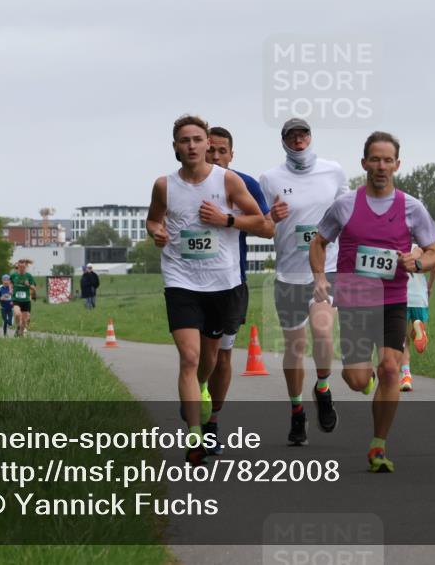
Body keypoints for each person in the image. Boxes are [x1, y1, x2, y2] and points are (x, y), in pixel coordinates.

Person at [311, 131, 435, 472]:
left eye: (388, 160)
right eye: (375, 159)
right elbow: (318, 242)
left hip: (393, 298)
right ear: (364, 162)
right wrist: (321, 277)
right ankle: (364, 379)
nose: (381, 166)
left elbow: (433, 253)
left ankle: (378, 446)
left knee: (390, 369)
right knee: (357, 380)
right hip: (354, 299)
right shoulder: (345, 205)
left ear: (397, 165)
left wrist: (418, 262)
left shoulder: (412, 208)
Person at [146, 115, 266, 465]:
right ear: (175, 147)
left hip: (223, 282)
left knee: (211, 358)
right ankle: (195, 436)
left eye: (198, 139)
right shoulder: (164, 186)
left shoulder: (227, 181)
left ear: (206, 144)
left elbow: (263, 224)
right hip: (181, 279)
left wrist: (226, 220)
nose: (193, 146)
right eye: (185, 140)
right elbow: (154, 218)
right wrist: (157, 231)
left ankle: (199, 392)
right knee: (190, 357)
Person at [259, 118, 349, 446]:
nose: (299, 141)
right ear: (284, 141)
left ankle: (322, 388)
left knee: (323, 335)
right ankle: (297, 411)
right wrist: (271, 217)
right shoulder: (269, 179)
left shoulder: (334, 171)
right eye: (292, 137)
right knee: (295, 348)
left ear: (311, 138)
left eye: (303, 135)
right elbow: (262, 224)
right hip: (289, 274)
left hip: (326, 270)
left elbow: (347, 213)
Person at [204, 126, 275, 453]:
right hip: (190, 284)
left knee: (222, 356)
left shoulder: (245, 184)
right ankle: (195, 405)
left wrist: (227, 220)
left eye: (222, 151)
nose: (215, 156)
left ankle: (212, 421)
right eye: (211, 150)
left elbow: (266, 228)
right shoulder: (180, 183)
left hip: (231, 281)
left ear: (232, 155)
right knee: (197, 355)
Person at [400, 243, 435, 392]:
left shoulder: (398, 249)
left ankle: (406, 376)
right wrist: (430, 286)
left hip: (401, 297)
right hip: (419, 298)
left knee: (404, 341)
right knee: (417, 338)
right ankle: (418, 327)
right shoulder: (422, 249)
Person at [10, 259, 37, 336]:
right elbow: (10, 283)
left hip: (26, 301)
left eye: (23, 267)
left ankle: (20, 334)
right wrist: (10, 289)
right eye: (20, 267)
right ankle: (18, 326)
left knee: (25, 321)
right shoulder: (14, 275)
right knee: (17, 314)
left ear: (25, 267)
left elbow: (34, 288)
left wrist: (28, 285)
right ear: (18, 266)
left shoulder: (29, 276)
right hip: (16, 300)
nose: (21, 268)